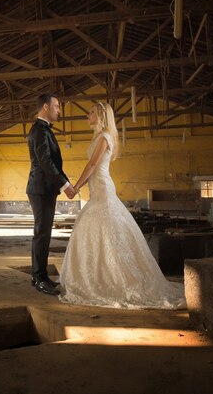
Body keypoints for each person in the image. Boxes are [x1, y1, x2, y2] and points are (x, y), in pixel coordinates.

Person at [59, 101, 186, 309]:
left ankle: (113, 279)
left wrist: (76, 186)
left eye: (90, 113)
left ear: (100, 116)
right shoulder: (100, 136)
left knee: (107, 231)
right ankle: (97, 276)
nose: (87, 116)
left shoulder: (104, 136)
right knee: (96, 230)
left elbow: (92, 164)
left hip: (102, 189)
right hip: (97, 190)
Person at [26, 93, 76, 296]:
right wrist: (65, 185)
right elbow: (46, 162)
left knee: (44, 234)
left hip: (45, 189)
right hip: (40, 189)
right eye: (56, 106)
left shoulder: (44, 130)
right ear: (45, 107)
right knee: (42, 234)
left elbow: (53, 163)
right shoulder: (38, 130)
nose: (59, 110)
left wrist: (67, 183)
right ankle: (39, 278)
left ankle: (41, 276)